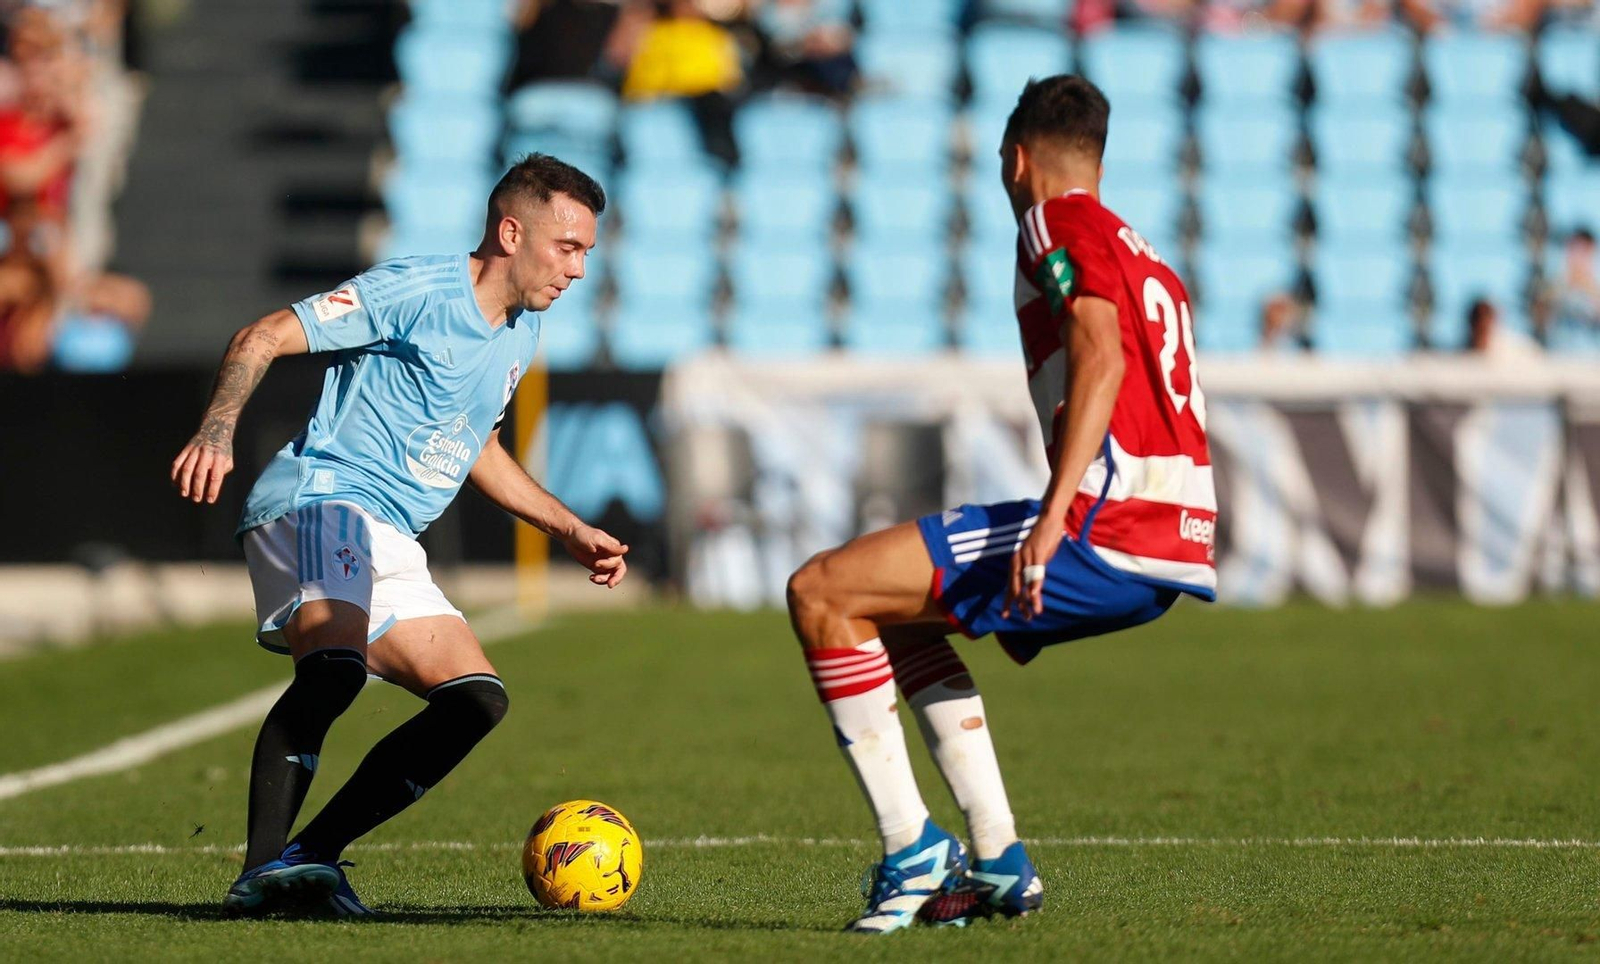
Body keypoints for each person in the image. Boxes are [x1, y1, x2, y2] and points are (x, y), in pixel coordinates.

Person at [783, 75, 1217, 933]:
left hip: (1106, 523)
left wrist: (1055, 517)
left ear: (1019, 160)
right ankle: (997, 858)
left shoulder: (1055, 220)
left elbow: (1102, 358)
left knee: (821, 591)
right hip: (1172, 537)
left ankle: (911, 849)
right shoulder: (1145, 253)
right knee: (893, 614)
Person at [169, 154, 630, 918]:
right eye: (568, 247)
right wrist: (217, 433)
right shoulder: (417, 289)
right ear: (512, 233)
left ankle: (308, 860)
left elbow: (473, 440)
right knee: (337, 670)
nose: (579, 269)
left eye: (586, 250)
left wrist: (568, 527)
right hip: (322, 498)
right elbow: (262, 335)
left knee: (475, 701)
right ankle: (258, 873)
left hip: (389, 534)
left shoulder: (520, 334)